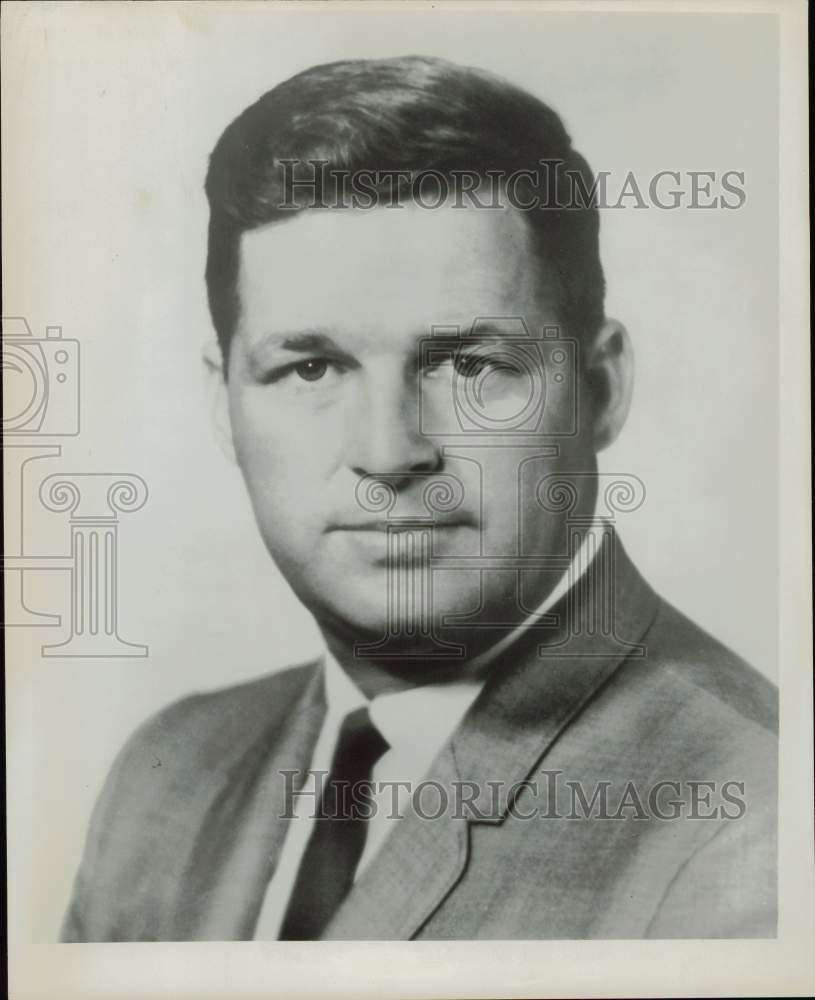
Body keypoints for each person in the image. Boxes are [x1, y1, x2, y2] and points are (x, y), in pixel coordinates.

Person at [62, 55, 777, 942]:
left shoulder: (755, 828)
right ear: (223, 403)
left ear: (598, 389)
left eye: (467, 366)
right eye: (311, 368)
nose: (389, 453)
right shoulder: (162, 782)